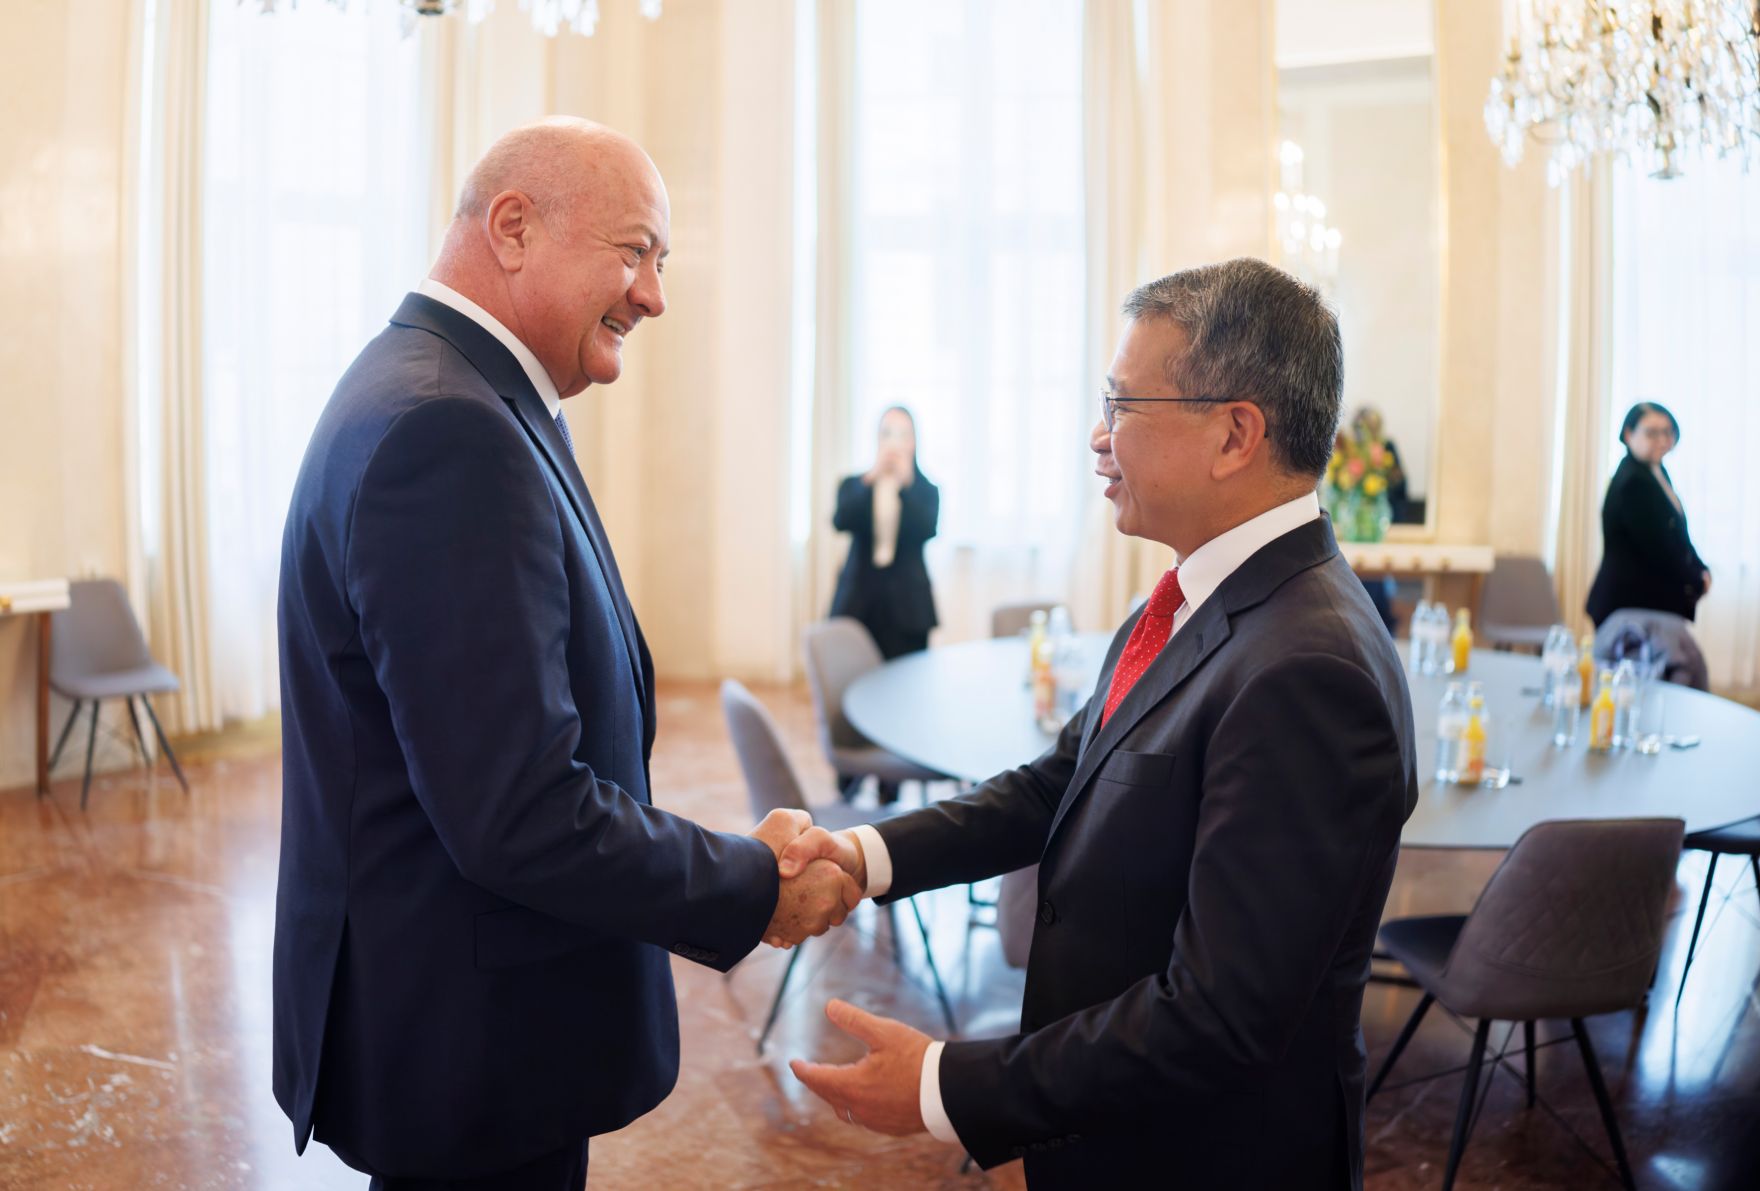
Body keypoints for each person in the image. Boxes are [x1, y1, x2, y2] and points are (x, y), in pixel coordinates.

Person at [273, 118, 859, 1190]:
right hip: (470, 1039)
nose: (653, 295)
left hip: (459, 1016)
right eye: (634, 252)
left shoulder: (446, 387)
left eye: (661, 263)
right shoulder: (445, 433)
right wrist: (747, 883)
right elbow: (516, 812)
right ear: (511, 228)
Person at [782, 258, 1418, 1189]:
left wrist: (944, 1085)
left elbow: (1217, 1015)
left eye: (1122, 404)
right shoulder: (1194, 594)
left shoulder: (1307, 669)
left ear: (1236, 432)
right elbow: (1058, 783)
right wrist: (865, 856)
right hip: (1115, 1132)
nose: (1097, 435)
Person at [1585, 401, 1711, 627]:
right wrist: (1696, 579)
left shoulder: (1656, 471)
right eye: (1652, 433)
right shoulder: (1634, 481)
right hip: (1629, 606)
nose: (1663, 440)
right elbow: (1658, 546)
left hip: (1642, 604)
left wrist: (1701, 568)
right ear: (1628, 433)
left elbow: (1677, 533)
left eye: (1667, 432)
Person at [829, 407, 940, 661]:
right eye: (887, 433)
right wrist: (871, 478)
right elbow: (841, 520)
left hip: (908, 606)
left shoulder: (926, 490)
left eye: (903, 434)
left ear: (914, 441)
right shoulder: (854, 485)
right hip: (859, 601)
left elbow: (926, 529)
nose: (894, 442)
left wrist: (906, 485)